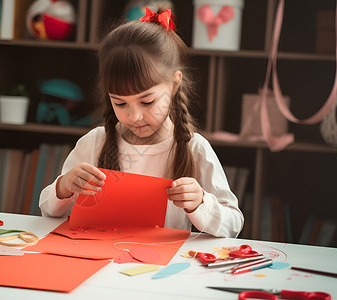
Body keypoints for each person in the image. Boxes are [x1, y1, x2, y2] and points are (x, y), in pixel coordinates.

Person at [39, 9, 244, 238]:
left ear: (174, 85)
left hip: (159, 268)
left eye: (147, 101)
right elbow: (47, 211)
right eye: (120, 103)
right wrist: (65, 186)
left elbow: (233, 225)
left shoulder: (194, 147)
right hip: (96, 261)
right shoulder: (95, 143)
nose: (134, 116)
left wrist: (201, 202)